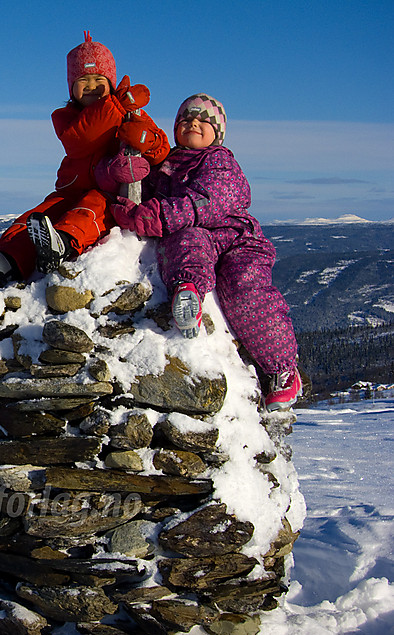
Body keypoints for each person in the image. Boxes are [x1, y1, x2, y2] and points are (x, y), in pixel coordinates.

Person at [106, 93, 302, 411]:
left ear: (218, 133)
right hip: (199, 236)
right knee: (185, 242)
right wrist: (129, 177)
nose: (192, 123)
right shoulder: (166, 165)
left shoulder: (219, 160)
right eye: (185, 119)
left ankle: (281, 369)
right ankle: (189, 293)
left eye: (203, 120)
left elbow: (207, 202)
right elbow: (148, 196)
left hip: (238, 240)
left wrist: (153, 217)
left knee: (245, 289)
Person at [0, 32, 170, 288]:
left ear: (111, 81)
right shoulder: (65, 118)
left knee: (89, 210)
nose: (92, 85)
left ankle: (61, 244)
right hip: (70, 190)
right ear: (71, 87)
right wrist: (117, 106)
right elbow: (81, 140)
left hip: (107, 193)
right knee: (37, 216)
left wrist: (148, 141)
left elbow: (161, 151)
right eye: (83, 80)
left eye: (99, 79)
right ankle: (7, 261)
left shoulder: (129, 113)